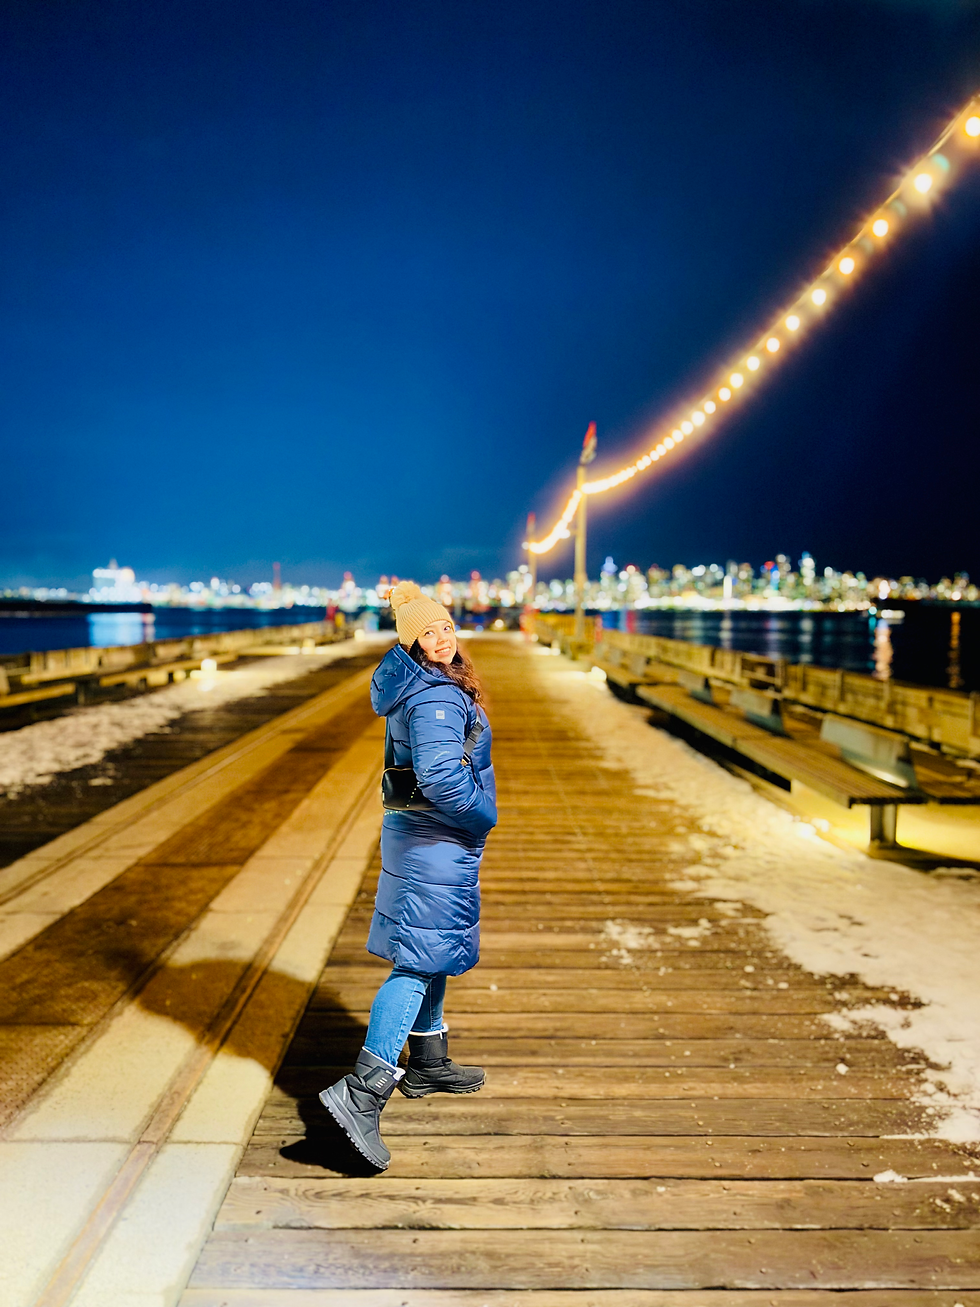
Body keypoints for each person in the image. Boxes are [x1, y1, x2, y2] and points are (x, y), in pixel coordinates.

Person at [320, 581, 497, 1170]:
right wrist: (483, 812)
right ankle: (361, 1093)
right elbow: (445, 779)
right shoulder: (435, 701)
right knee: (418, 961)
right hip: (435, 839)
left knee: (433, 945)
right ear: (412, 642)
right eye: (428, 632)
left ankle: (426, 1059)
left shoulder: (423, 684)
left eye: (446, 626)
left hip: (425, 837)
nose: (443, 638)